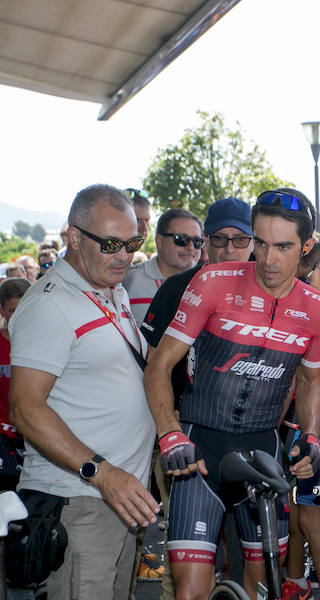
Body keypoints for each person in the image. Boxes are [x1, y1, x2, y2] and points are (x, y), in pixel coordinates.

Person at [143, 188, 320, 600]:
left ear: (307, 246)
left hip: (263, 452)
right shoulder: (212, 281)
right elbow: (159, 365)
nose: (268, 260)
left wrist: (311, 437)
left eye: (283, 247)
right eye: (260, 243)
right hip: (199, 449)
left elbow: (309, 382)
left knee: (262, 585)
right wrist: (169, 433)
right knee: (190, 591)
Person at [9, 184, 158, 600]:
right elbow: (25, 408)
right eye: (111, 244)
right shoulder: (49, 305)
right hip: (81, 499)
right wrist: (102, 473)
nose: (125, 256)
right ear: (74, 237)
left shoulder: (111, 288)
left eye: (133, 243)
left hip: (121, 497)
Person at [124, 207, 204, 324]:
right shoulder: (128, 280)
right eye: (181, 239)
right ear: (159, 241)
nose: (191, 247)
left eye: (197, 241)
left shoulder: (206, 286)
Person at [0, 277, 29, 491]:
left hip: (34, 435)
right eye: (12, 311)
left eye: (24, 309)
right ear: (2, 311)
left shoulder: (45, 342)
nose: (19, 317)